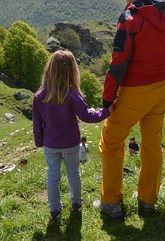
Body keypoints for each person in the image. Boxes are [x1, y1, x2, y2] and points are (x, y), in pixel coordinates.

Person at [98, 0, 165, 218]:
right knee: (152, 142)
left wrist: (107, 99)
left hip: (136, 89)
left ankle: (111, 203)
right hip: (163, 87)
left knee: (111, 142)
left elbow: (118, 63)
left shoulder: (129, 19)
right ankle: (148, 201)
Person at [33, 50, 111, 221]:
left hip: (50, 143)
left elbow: (37, 123)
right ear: (72, 70)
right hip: (70, 142)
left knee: (52, 174)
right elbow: (87, 116)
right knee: (73, 172)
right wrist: (106, 111)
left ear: (49, 69)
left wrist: (39, 142)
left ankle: (54, 209)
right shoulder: (72, 94)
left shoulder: (40, 96)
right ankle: (76, 203)